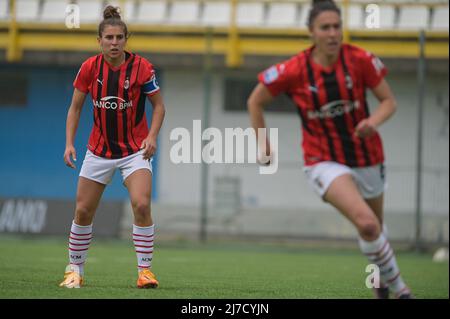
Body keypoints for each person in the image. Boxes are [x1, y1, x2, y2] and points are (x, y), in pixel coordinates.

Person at [247, 0, 412, 299]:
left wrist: (372, 122)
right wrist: (263, 142)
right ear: (311, 32)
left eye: (337, 27)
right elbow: (255, 101)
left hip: (368, 157)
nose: (333, 33)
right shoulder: (294, 69)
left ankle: (379, 279)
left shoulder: (360, 60)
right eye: (325, 27)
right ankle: (402, 292)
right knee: (366, 223)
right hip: (322, 159)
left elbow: (389, 102)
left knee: (375, 229)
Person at [59, 6, 165, 289]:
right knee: (82, 211)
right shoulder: (89, 68)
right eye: (109, 37)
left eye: (119, 37)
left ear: (126, 39)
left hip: (134, 151)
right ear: (100, 40)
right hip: (98, 151)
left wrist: (152, 137)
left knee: (141, 204)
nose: (114, 42)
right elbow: (75, 108)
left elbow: (159, 108)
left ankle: (145, 272)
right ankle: (75, 271)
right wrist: (70, 143)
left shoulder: (142, 68)